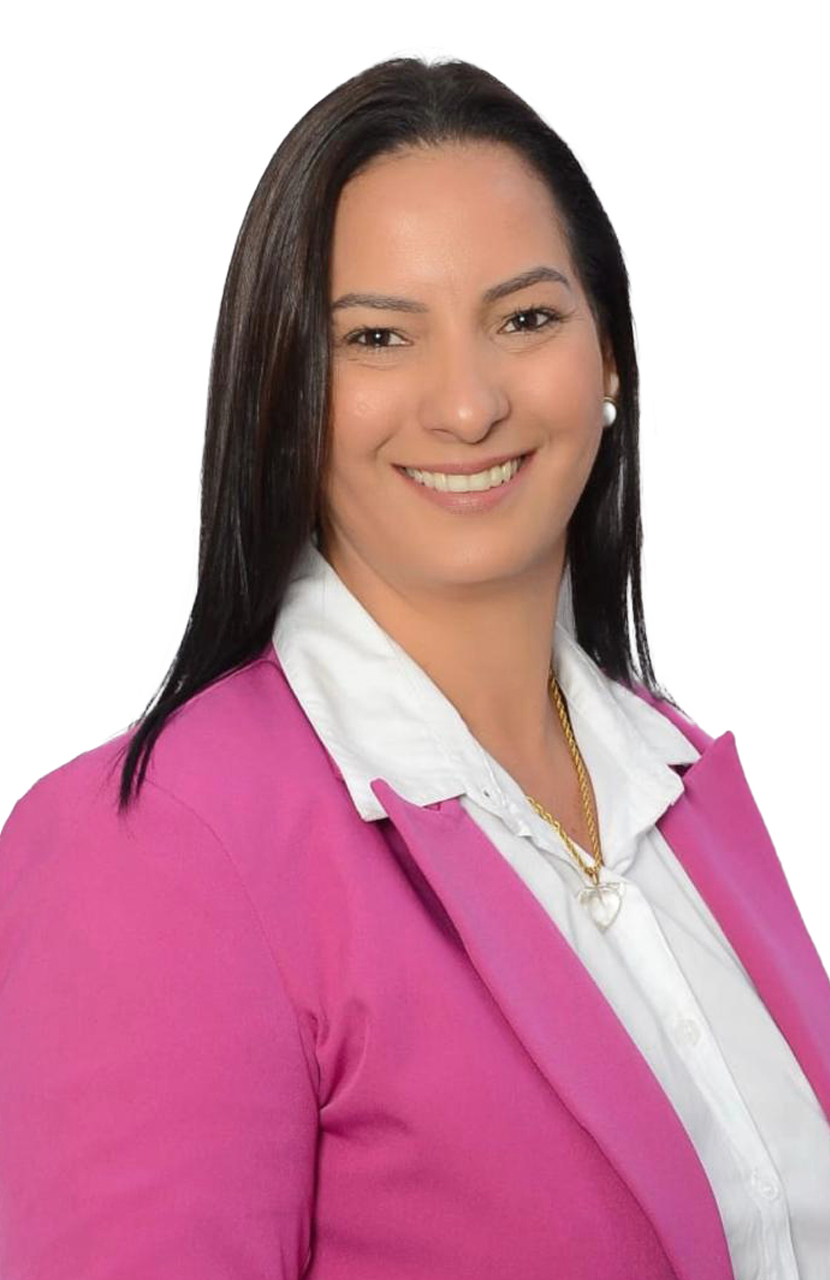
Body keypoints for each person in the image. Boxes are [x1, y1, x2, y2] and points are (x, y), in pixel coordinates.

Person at [1, 55, 828, 1280]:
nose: (467, 403)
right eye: (378, 336)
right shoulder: (154, 849)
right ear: (287, 388)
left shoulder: (679, 784)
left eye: (525, 319)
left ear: (609, 358)